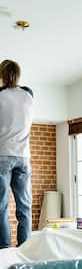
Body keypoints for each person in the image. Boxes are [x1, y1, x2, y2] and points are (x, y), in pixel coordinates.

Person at [0, 60, 34, 248]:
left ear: (2, 75)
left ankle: (4, 251)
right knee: (24, 208)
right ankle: (25, 251)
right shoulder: (29, 94)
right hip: (23, 157)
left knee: (1, 208)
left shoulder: (0, 95)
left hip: (2, 155)